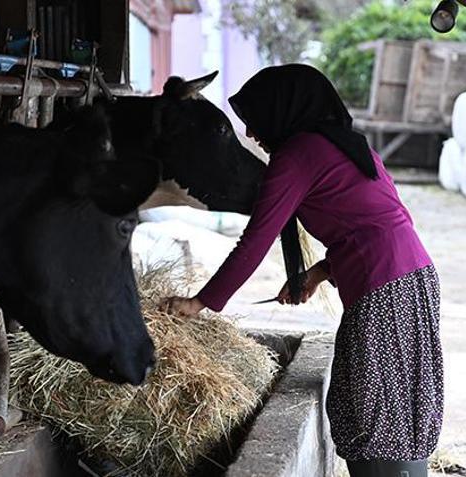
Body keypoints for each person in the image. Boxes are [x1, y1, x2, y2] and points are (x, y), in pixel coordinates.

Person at [161, 64, 443, 477]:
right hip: (414, 278)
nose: (253, 135)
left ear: (282, 111)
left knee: (373, 409)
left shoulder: (297, 154)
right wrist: (319, 273)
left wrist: (200, 301)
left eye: (255, 121)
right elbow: (377, 226)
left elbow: (256, 239)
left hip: (383, 288)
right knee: (397, 403)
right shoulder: (350, 145)